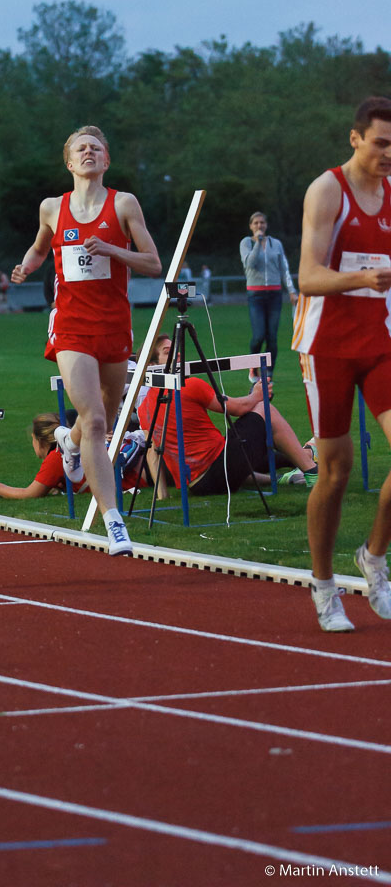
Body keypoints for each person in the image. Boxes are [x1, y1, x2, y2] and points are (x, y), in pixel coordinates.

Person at [11, 125, 162, 554]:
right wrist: (26, 266)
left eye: (97, 147)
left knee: (104, 422)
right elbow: (40, 249)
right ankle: (114, 521)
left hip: (114, 326)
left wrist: (113, 250)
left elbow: (153, 262)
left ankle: (68, 442)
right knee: (94, 419)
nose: (89, 152)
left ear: (106, 160)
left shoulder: (124, 204)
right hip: (71, 326)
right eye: (82, 148)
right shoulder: (52, 208)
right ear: (70, 162)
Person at [292, 96, 391, 632]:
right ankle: (325, 586)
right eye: (381, 142)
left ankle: (374, 559)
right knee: (336, 470)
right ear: (355, 138)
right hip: (325, 345)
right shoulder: (328, 189)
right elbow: (307, 276)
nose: (389, 153)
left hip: (380, 342)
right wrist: (361, 279)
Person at [138, 334, 318, 495]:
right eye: (168, 351)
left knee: (237, 448)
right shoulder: (189, 385)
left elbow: (152, 453)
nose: (177, 354)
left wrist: (162, 495)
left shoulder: (143, 408)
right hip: (217, 471)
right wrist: (256, 394)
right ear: (152, 366)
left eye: (176, 349)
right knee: (265, 409)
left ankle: (293, 468)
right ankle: (311, 469)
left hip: (197, 485)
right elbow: (238, 408)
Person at [0, 412, 150, 501]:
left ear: (41, 441)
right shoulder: (67, 448)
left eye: (32, 440)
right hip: (145, 465)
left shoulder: (55, 458)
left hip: (143, 475)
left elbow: (30, 493)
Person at [240, 213, 297, 385]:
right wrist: (258, 242)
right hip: (255, 295)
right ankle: (253, 365)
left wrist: (292, 291)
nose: (259, 225)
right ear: (251, 226)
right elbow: (249, 263)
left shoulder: (276, 243)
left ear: (266, 224)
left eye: (262, 222)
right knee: (259, 336)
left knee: (272, 336)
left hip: (274, 294)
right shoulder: (246, 243)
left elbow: (284, 268)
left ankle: (269, 374)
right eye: (256, 223)